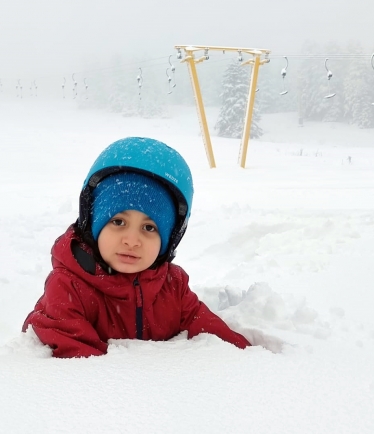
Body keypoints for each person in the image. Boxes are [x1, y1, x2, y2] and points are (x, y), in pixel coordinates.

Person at [23, 137, 251, 357]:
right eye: (118, 222)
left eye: (149, 228)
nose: (132, 240)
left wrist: (251, 360)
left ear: (170, 239)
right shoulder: (68, 288)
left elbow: (215, 336)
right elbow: (77, 362)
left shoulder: (172, 286)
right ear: (92, 223)